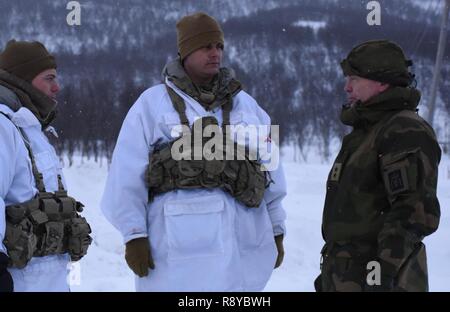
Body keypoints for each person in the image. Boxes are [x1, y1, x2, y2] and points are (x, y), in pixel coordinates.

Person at [101, 12, 287, 291]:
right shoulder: (152, 105)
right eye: (206, 46)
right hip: (175, 254)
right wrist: (134, 234)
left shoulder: (248, 106)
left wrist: (276, 229)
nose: (215, 53)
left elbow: (272, 171)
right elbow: (126, 175)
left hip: (243, 245)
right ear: (184, 52)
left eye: (219, 47)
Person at [315, 40, 441, 292]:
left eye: (355, 78)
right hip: (348, 277)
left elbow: (413, 213)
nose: (347, 87)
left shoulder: (403, 130)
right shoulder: (368, 130)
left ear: (382, 82)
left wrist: (381, 275)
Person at [0, 40, 92, 292]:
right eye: (49, 78)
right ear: (21, 79)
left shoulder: (32, 130)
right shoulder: (4, 127)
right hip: (21, 282)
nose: (57, 87)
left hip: (49, 281)